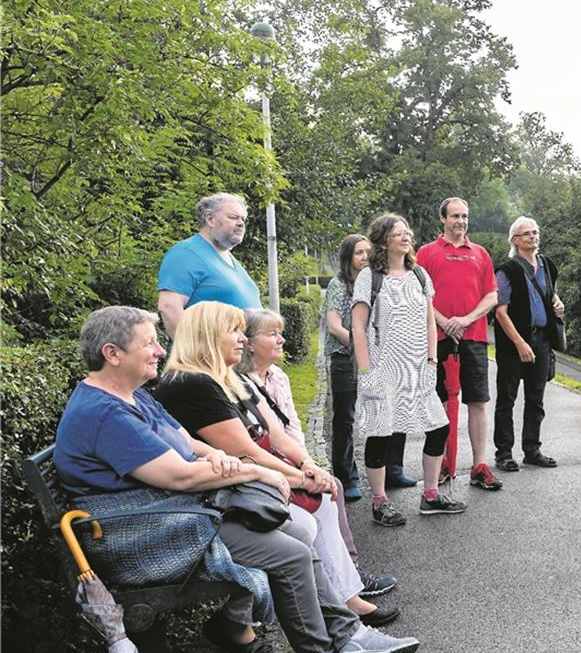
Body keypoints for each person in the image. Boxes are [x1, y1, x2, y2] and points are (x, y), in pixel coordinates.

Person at [53, 307, 419, 653]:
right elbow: (179, 475)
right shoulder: (107, 412)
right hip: (148, 534)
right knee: (292, 553)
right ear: (112, 353)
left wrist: (219, 458)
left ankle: (348, 637)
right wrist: (252, 471)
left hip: (172, 515)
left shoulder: (129, 397)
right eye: (150, 343)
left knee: (296, 529)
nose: (161, 350)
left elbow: (187, 444)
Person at [152, 302, 397, 627]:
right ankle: (330, 617)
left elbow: (276, 436)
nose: (243, 339)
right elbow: (246, 451)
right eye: (234, 331)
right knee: (303, 525)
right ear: (208, 336)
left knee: (323, 498)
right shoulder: (192, 384)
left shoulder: (229, 379)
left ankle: (347, 598)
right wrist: (300, 478)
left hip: (249, 481)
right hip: (225, 493)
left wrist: (308, 465)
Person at [238, 307, 398, 603]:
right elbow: (263, 442)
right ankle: (346, 580)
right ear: (248, 342)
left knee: (331, 486)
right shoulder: (242, 385)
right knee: (329, 491)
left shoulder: (278, 377)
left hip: (288, 460)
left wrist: (308, 462)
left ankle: (349, 573)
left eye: (281, 333)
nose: (281, 340)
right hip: (268, 470)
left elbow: (292, 428)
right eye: (272, 334)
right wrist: (301, 471)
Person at [352, 213, 460, 526]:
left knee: (438, 427)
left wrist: (431, 360)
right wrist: (366, 371)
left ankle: (430, 496)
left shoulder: (420, 276)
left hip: (419, 368)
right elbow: (358, 328)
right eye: (398, 233)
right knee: (382, 431)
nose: (406, 236)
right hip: (383, 368)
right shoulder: (369, 277)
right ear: (383, 240)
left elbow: (430, 321)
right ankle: (380, 501)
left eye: (407, 232)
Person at [415, 197, 503, 490]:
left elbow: (491, 295)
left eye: (465, 216)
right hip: (437, 338)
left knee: (477, 401)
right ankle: (440, 464)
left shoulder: (480, 254)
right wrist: (442, 320)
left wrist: (465, 320)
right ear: (442, 219)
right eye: (455, 216)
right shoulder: (426, 254)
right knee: (440, 403)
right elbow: (418, 295)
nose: (461, 222)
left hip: (473, 337)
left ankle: (479, 465)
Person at [492, 216, 564, 472]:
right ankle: (504, 454)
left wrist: (557, 302)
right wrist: (520, 343)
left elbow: (550, 291)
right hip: (514, 344)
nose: (533, 237)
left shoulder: (547, 265)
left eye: (535, 232)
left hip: (542, 340)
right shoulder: (506, 270)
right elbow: (500, 312)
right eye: (526, 234)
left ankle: (532, 450)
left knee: (536, 399)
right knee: (507, 399)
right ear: (515, 240)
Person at [157, 193, 261, 337]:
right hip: (211, 357)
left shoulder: (230, 259)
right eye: (233, 217)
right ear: (210, 219)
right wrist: (196, 354)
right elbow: (169, 307)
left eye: (243, 219)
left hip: (246, 357)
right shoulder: (186, 253)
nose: (241, 223)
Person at [323, 234, 370, 501]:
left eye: (368, 252)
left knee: (381, 413)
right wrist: (359, 345)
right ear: (348, 258)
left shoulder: (377, 283)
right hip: (345, 359)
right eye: (359, 253)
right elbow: (333, 325)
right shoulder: (339, 284)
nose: (365, 257)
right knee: (345, 420)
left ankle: (392, 470)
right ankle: (346, 477)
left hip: (374, 358)